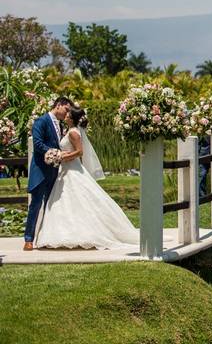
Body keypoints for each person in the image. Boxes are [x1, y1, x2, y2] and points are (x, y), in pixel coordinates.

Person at [34, 106, 141, 250]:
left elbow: (79, 152)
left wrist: (62, 156)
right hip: (65, 171)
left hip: (72, 170)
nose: (65, 115)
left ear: (71, 118)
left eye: (68, 114)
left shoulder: (73, 133)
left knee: (78, 199)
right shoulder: (69, 130)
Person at [24, 96, 72, 250]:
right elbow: (37, 143)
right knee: (35, 205)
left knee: (51, 206)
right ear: (59, 105)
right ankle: (28, 239)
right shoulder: (41, 121)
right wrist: (55, 153)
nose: (67, 114)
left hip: (54, 171)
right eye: (66, 109)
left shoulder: (60, 124)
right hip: (40, 171)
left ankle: (45, 237)